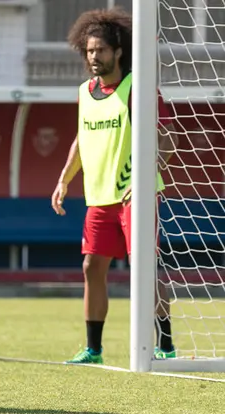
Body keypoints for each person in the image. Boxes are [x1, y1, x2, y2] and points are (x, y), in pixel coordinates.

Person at [52, 7, 178, 364]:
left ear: (118, 51)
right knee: (92, 268)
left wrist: (143, 176)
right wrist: (64, 179)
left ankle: (165, 345)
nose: (94, 57)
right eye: (89, 51)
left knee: (145, 269)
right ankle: (93, 349)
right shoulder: (84, 91)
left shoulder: (137, 88)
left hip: (135, 196)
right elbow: (80, 139)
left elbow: (167, 139)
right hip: (99, 198)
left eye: (101, 50)